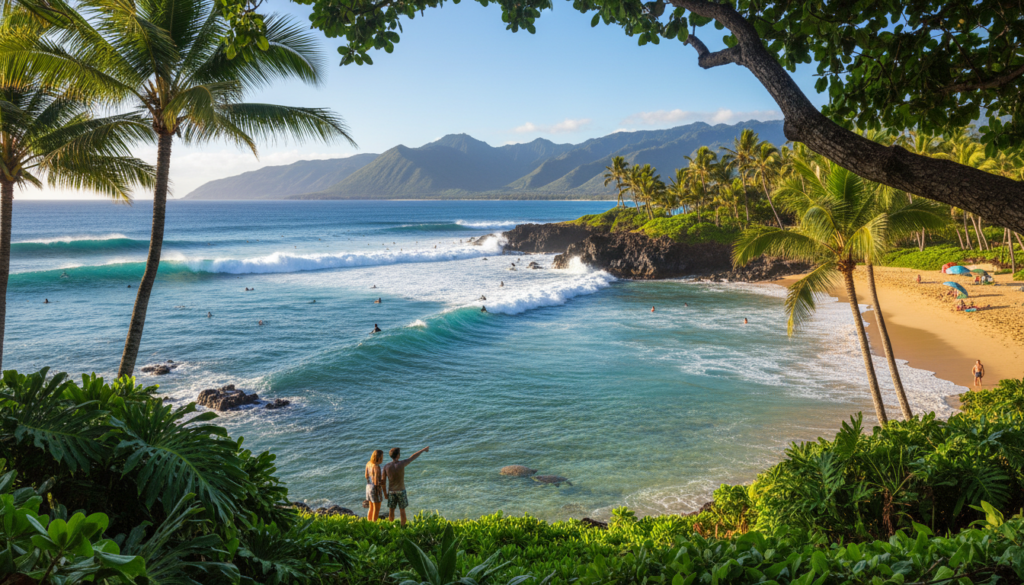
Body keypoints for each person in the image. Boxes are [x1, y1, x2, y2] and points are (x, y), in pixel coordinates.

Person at [383, 446, 429, 527]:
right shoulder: (401, 464)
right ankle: (403, 528)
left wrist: (385, 494)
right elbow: (412, 457)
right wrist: (423, 449)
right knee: (402, 511)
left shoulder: (386, 466)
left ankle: (390, 527)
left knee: (391, 511)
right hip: (401, 491)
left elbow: (383, 481)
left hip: (391, 491)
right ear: (398, 456)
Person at [365, 450, 384, 522]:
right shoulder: (377, 467)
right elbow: (377, 482)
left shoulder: (368, 463)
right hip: (375, 488)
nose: (382, 459)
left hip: (368, 487)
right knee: (377, 509)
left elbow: (366, 476)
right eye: (382, 457)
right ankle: (374, 524)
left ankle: (368, 523)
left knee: (371, 508)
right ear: (378, 458)